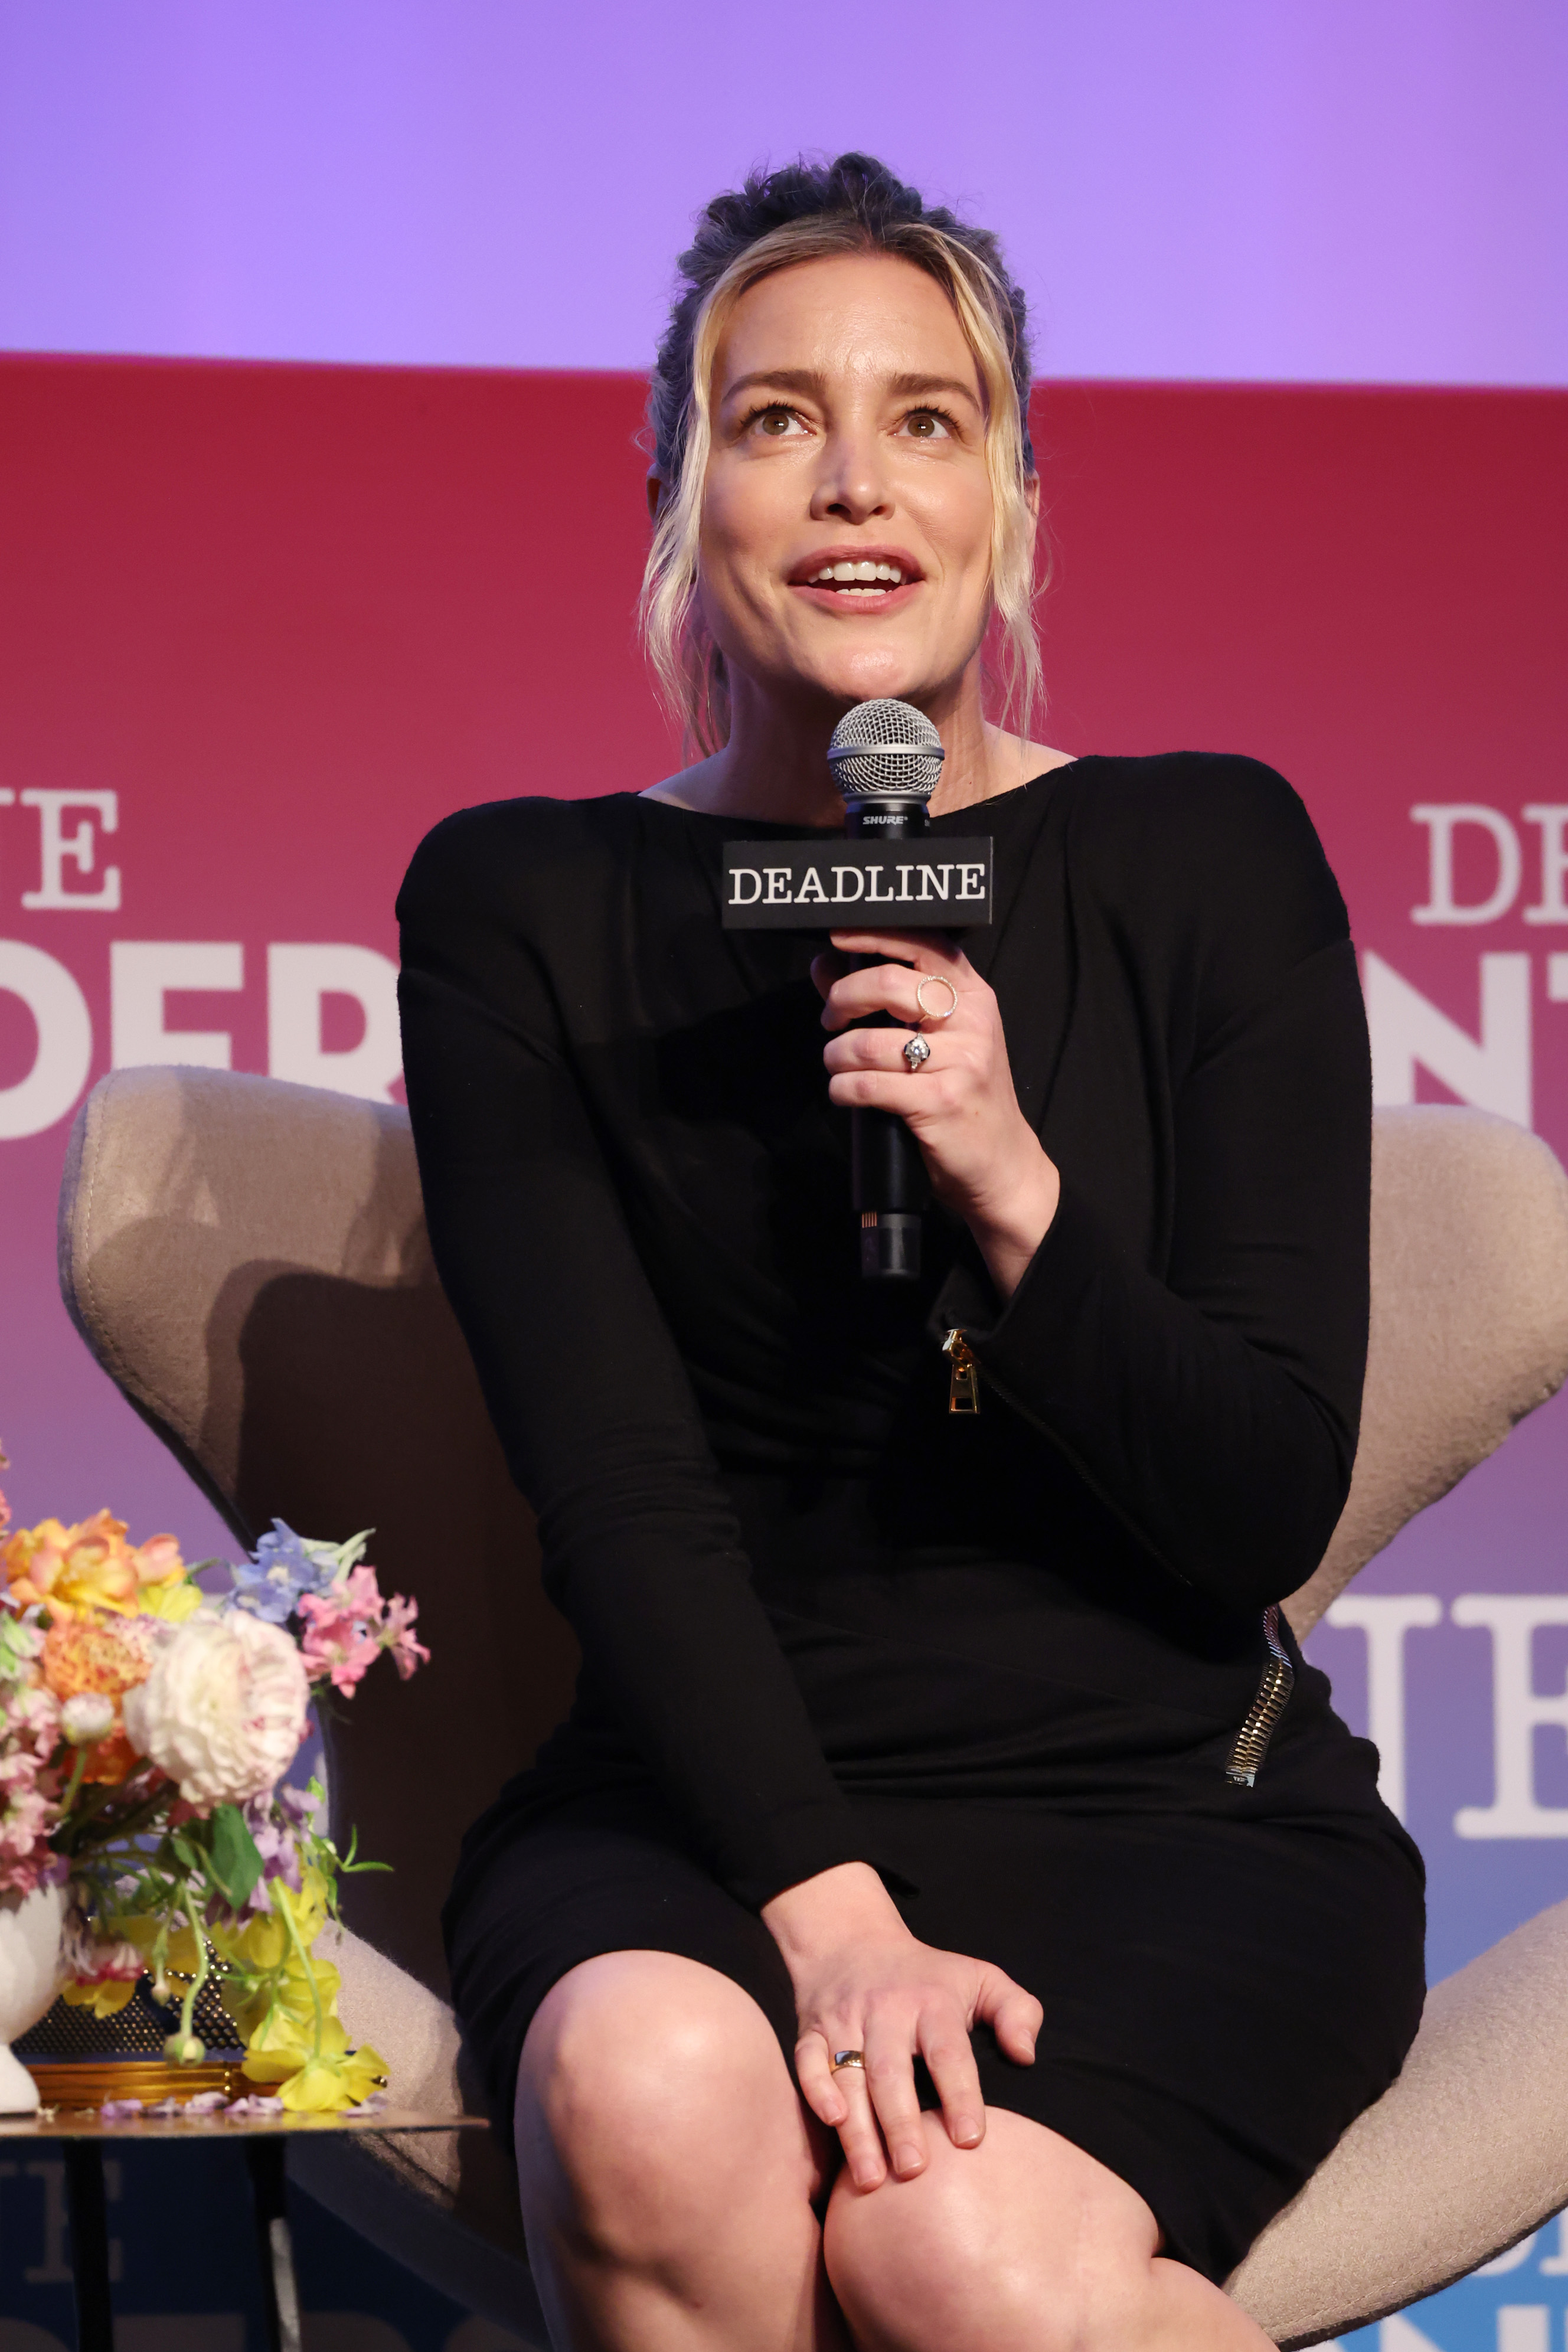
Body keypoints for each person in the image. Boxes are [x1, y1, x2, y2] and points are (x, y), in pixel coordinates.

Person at [397, 153, 1425, 2352]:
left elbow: (1258, 1493)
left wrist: (1013, 1184)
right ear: (682, 495)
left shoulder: (1204, 850)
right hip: (708, 1801)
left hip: (1166, 1805)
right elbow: (620, 1491)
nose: (856, 482)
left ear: (1018, 495)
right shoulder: (523, 908)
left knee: (948, 2247)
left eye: (927, 419)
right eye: (776, 420)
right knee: (648, 2088)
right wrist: (827, 1910)